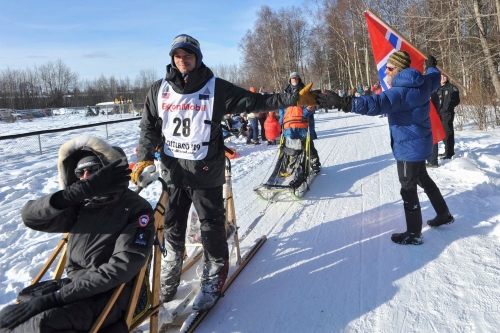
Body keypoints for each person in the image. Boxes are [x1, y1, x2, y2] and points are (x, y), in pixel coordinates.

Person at [131, 34, 315, 311]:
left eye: (188, 55)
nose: (183, 60)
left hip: (205, 169)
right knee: (172, 225)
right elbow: (148, 128)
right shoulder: (158, 89)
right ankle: (168, 276)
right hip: (173, 171)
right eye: (178, 56)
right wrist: (145, 159)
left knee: (211, 226)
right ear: (172, 59)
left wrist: (291, 97)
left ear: (197, 58)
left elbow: (254, 103)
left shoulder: (215, 88)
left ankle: (214, 276)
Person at [0, 135, 154, 333]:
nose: (86, 177)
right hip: (75, 289)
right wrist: (72, 195)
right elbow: (30, 217)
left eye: (93, 171)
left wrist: (55, 298)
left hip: (113, 294)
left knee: (40, 325)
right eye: (80, 173)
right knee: (6, 320)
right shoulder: (82, 205)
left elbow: (120, 268)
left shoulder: (136, 209)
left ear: (108, 173)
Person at [317, 51, 455, 245]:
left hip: (409, 148)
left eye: (389, 68)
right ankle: (444, 214)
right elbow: (433, 76)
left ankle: (414, 234)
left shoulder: (399, 92)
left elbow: (374, 103)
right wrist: (432, 65)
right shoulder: (424, 83)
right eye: (386, 68)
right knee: (423, 178)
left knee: (408, 188)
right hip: (421, 142)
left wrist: (344, 102)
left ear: (399, 70)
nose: (386, 72)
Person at [427, 73, 460, 166]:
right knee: (437, 132)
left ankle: (449, 152)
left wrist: (448, 107)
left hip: (447, 114)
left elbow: (457, 101)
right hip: (436, 114)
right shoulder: (435, 87)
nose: (443, 78)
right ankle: (444, 151)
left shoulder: (452, 88)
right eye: (441, 76)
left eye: (445, 76)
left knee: (447, 132)